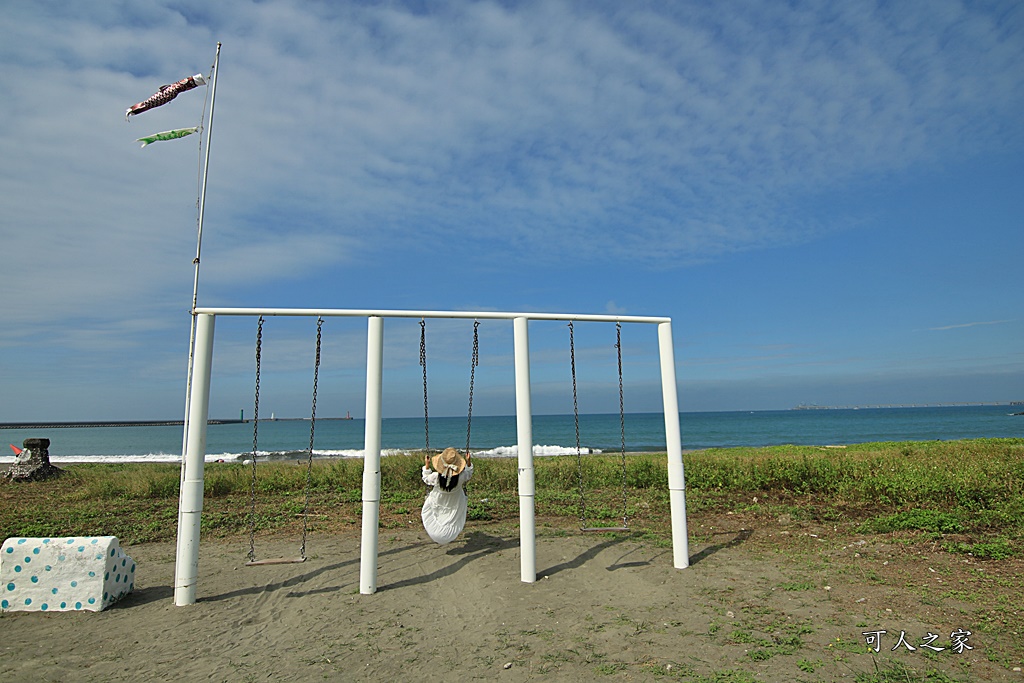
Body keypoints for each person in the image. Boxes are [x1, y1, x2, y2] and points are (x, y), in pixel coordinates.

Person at [421, 447, 474, 545]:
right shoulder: (461, 477)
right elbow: (469, 473)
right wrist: (469, 462)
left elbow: (426, 479)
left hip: (438, 499)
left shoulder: (436, 476)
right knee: (452, 515)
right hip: (456, 501)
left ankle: (439, 534)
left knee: (436, 512)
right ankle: (448, 534)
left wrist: (427, 466)